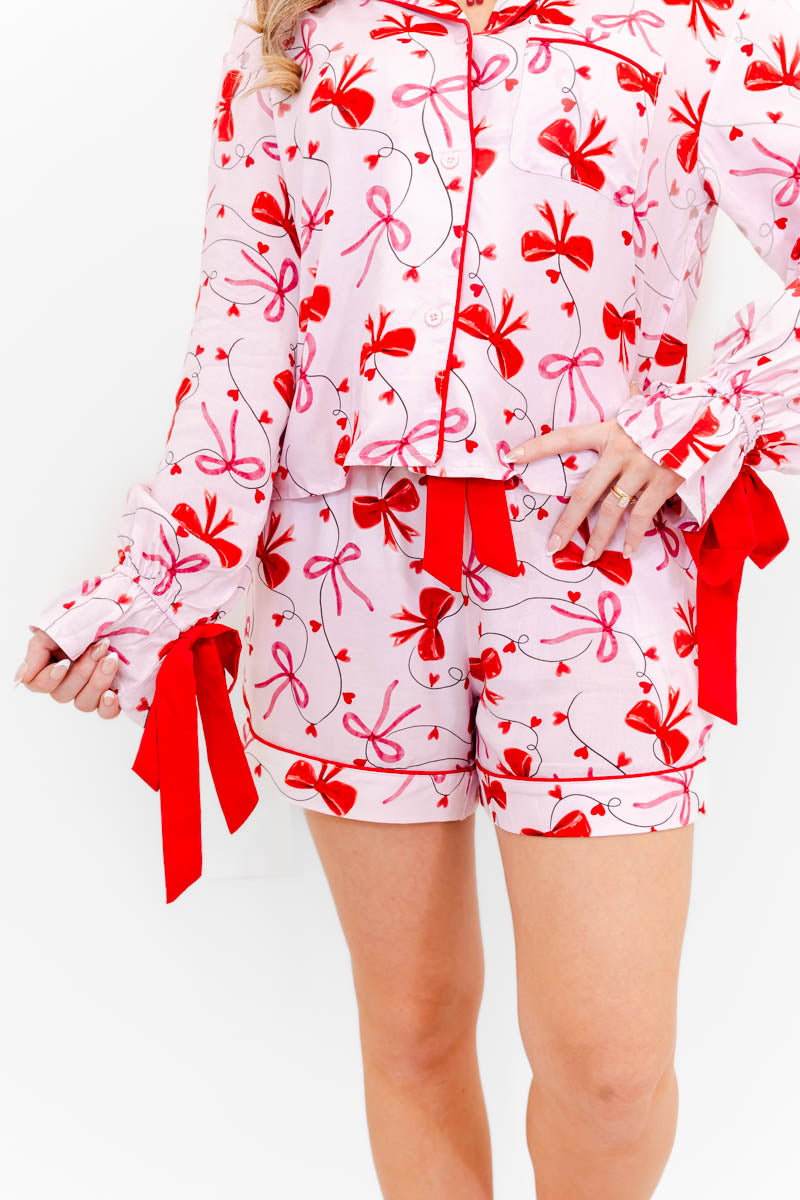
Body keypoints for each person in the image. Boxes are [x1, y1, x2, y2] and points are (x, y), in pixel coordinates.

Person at [15, 0, 800, 1195]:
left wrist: (700, 419)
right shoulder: (300, 35)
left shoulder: (688, 25)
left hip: (595, 572)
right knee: (414, 1027)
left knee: (609, 1071)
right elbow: (240, 344)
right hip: (345, 587)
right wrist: (147, 596)